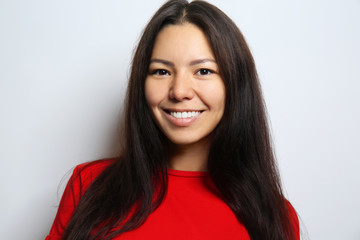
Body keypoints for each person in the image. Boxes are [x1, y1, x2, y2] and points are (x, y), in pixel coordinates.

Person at [46, 0, 300, 239]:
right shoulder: (89, 185)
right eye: (161, 71)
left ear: (235, 84)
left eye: (203, 71)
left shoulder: (273, 215)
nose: (179, 91)